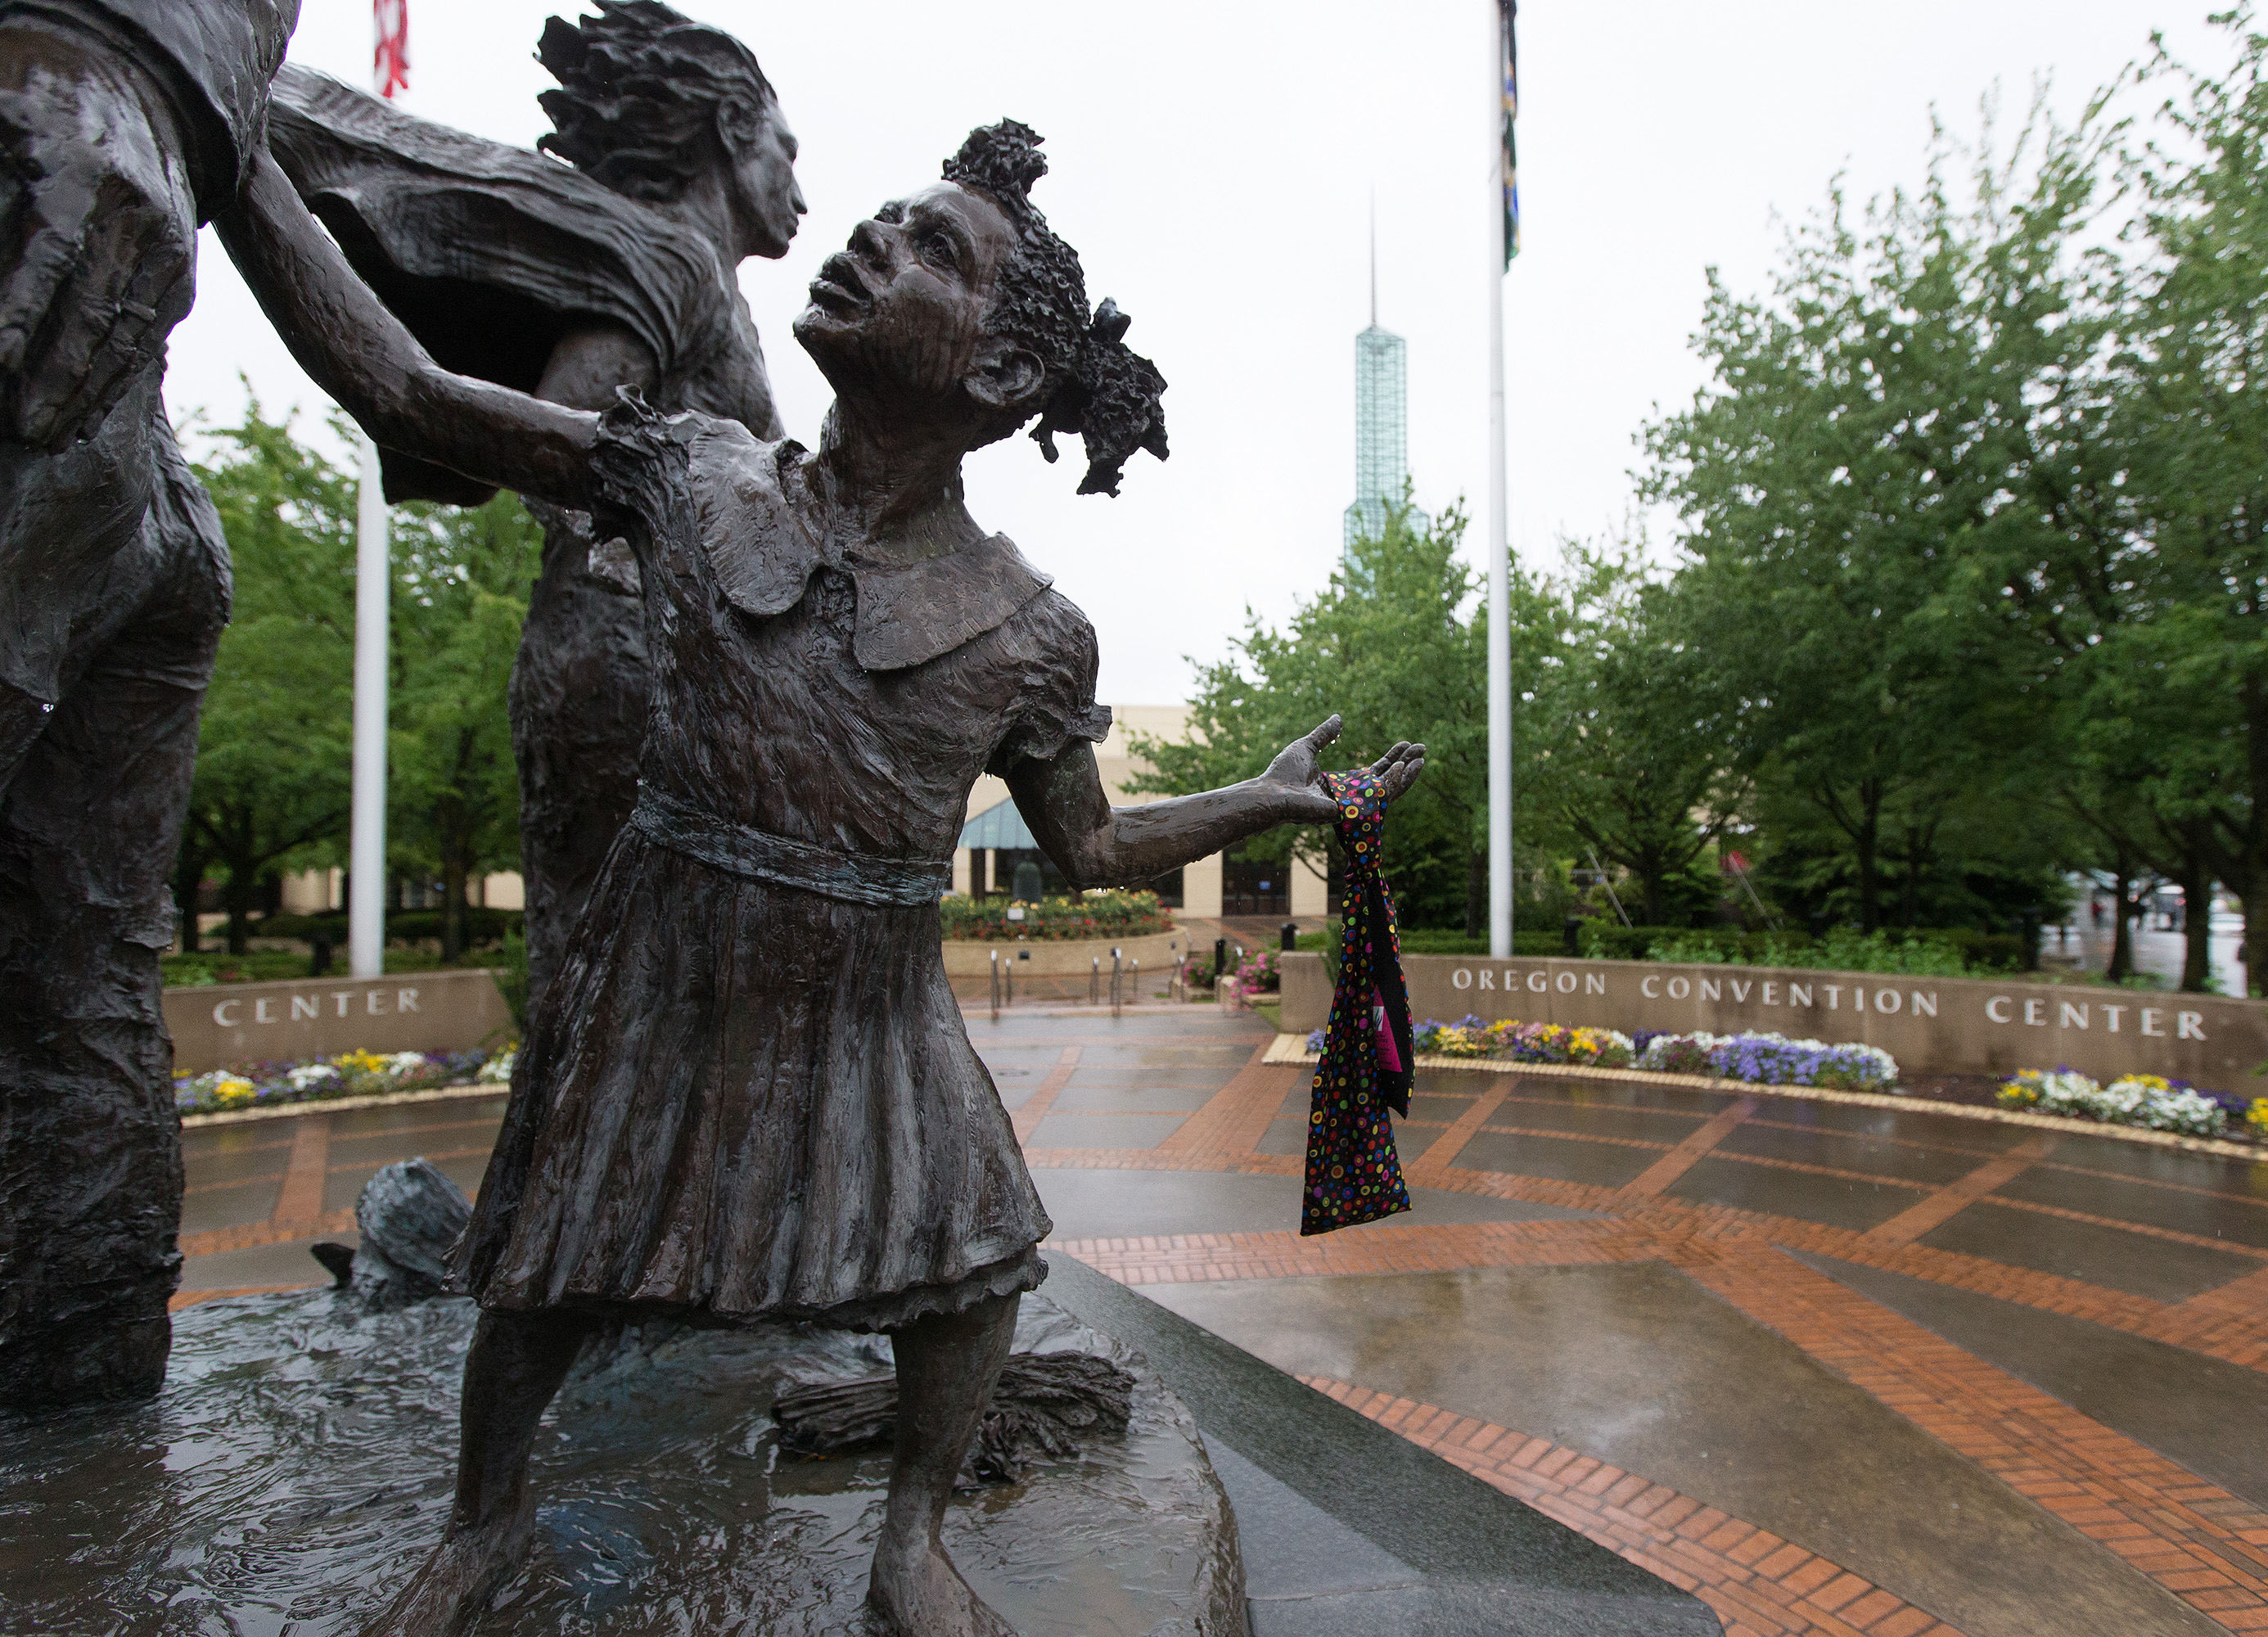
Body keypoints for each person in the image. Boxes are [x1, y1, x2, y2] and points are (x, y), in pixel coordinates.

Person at [222, 116, 1424, 1636]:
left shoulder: (1027, 628)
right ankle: (480, 1525)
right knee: (546, 1259)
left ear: (995, 376)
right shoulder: (694, 467)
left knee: (976, 1264)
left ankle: (910, 1538)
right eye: (880, 217)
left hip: (870, 1000)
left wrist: (1260, 799)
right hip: (665, 960)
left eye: (930, 249)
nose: (871, 241)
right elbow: (405, 392)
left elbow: (1095, 848)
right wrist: (232, 163)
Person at [265, 0, 801, 999]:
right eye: (785, 150)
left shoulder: (718, 294)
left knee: (633, 976)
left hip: (660, 661)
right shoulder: (673, 264)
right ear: (732, 137)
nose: (797, 187)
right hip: (624, 660)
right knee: (608, 978)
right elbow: (565, 439)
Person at [0, 0, 299, 1408]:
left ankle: (83, 1411)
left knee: (87, 977)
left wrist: (123, 61)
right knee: (83, 978)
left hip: (89, 367)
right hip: (97, 341)